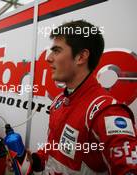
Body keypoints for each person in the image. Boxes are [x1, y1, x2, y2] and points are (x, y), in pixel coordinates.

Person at [24, 20, 137, 174]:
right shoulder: (59, 101)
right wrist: (36, 160)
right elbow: (55, 148)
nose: (48, 58)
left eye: (56, 51)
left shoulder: (107, 111)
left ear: (81, 57)